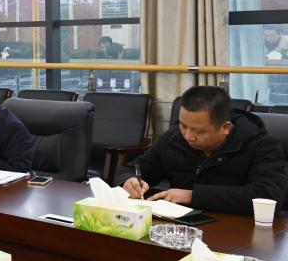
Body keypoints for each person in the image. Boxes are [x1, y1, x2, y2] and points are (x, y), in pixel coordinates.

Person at [116, 85, 287, 214]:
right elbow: (133, 169)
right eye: (183, 125)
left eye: (199, 131)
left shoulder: (262, 146)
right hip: (182, 227)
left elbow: (268, 197)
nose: (188, 136)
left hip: (239, 231)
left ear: (225, 128)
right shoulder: (174, 138)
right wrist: (129, 180)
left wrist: (191, 196)